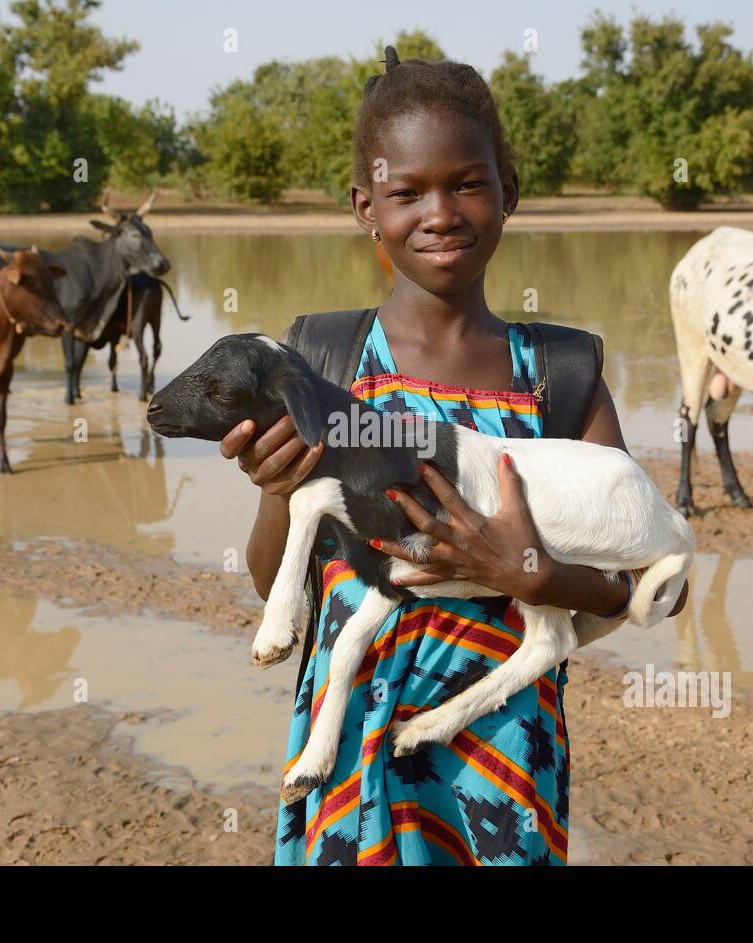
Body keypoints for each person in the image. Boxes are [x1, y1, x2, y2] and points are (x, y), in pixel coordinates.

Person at [224, 46, 687, 865]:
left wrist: (535, 575)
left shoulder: (560, 374)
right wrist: (279, 486)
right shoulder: (322, 360)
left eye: (466, 184)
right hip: (348, 729)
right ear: (366, 206)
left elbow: (642, 586)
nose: (439, 212)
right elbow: (277, 590)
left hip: (504, 743)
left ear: (509, 191)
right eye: (406, 193)